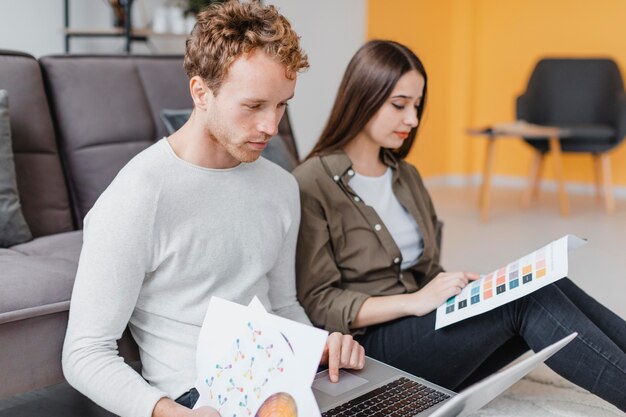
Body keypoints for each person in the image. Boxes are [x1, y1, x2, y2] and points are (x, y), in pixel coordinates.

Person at [62, 3, 364, 417]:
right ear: (201, 92)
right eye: (254, 106)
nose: (272, 127)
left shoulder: (280, 186)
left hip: (284, 384)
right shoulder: (138, 196)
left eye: (282, 106)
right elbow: (84, 352)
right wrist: (170, 413)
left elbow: (282, 305)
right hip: (196, 398)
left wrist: (318, 343)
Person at [293, 39, 626, 411]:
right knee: (528, 303)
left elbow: (427, 269)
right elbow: (320, 303)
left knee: (543, 282)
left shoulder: (406, 176)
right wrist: (415, 302)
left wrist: (465, 292)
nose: (413, 119)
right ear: (363, 98)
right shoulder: (312, 183)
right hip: (373, 347)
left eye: (417, 105)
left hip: (422, 329)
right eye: (399, 105)